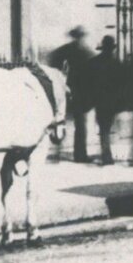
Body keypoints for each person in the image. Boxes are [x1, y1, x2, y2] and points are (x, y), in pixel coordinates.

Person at [48, 26, 94, 162]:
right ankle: (79, 155)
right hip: (78, 92)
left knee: (64, 121)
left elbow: (54, 60)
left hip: (69, 90)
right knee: (78, 125)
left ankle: (58, 152)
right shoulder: (85, 52)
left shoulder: (66, 50)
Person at [87, 34, 124, 164]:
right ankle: (106, 154)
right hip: (112, 101)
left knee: (103, 129)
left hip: (99, 100)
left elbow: (89, 83)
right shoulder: (116, 63)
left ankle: (106, 155)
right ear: (112, 48)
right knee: (107, 128)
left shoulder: (94, 62)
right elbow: (121, 84)